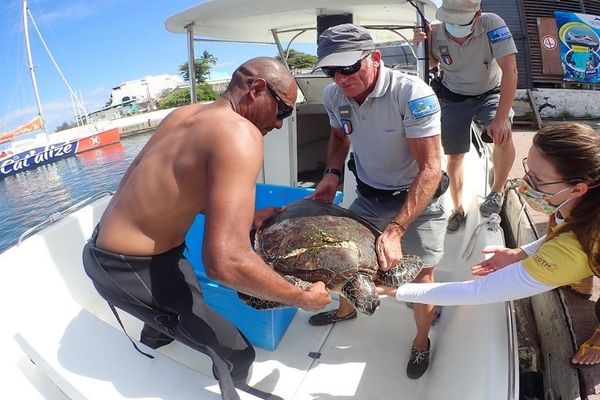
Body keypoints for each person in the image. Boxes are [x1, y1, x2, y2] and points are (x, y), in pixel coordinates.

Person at [82, 57, 331, 399]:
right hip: (127, 270)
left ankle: (158, 337)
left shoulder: (185, 114)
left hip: (109, 251)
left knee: (186, 302)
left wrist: (252, 215)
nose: (279, 124)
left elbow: (171, 190)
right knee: (238, 353)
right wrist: (303, 298)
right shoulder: (240, 133)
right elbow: (226, 262)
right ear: (257, 89)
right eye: (283, 111)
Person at [377, 123, 600, 368]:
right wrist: (519, 253)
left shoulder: (570, 251)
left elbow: (475, 292)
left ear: (578, 188)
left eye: (537, 180)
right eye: (528, 170)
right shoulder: (571, 203)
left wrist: (393, 290)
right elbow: (559, 233)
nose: (524, 183)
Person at [308, 23, 447, 379]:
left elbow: (431, 167)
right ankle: (345, 310)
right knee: (343, 260)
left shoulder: (412, 94)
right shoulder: (333, 96)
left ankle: (420, 340)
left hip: (418, 198)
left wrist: (397, 228)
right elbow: (340, 137)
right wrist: (332, 173)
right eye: (330, 70)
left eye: (349, 68)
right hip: (368, 195)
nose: (340, 79)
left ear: (374, 57)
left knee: (420, 274)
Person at [414, 0, 518, 232]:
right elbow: (430, 63)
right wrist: (419, 45)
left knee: (503, 135)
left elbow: (510, 71)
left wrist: (501, 118)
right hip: (453, 96)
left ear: (477, 15)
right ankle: (458, 208)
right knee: (454, 155)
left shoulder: (493, 24)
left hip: (489, 92)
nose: (454, 27)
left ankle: (497, 190)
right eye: (449, 20)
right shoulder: (435, 31)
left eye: (460, 21)